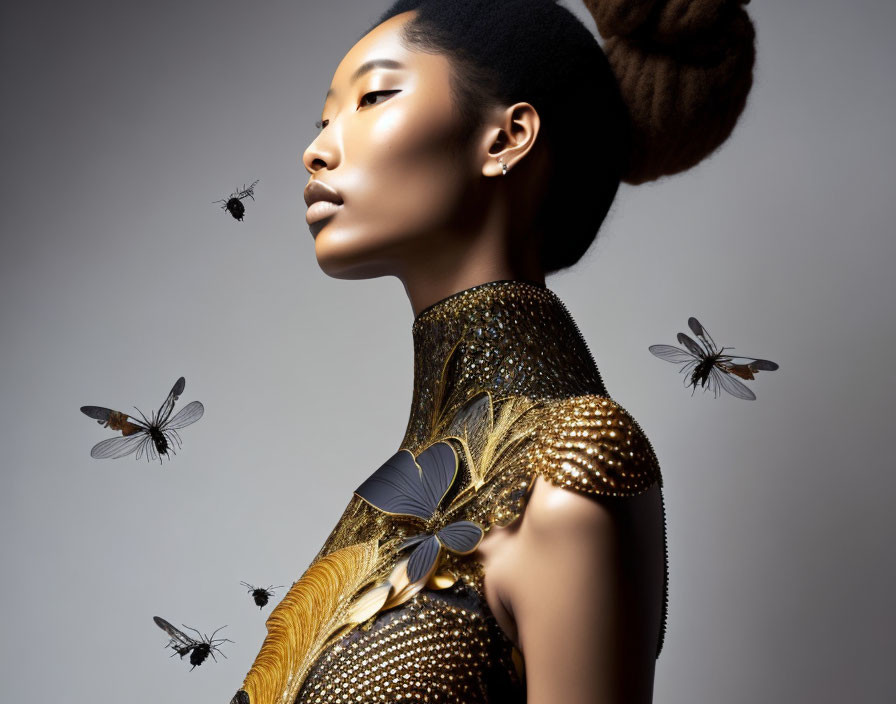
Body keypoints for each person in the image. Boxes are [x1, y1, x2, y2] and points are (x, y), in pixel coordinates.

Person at [231, 1, 755, 702]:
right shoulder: (402, 483)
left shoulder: (570, 461)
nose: (319, 147)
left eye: (373, 97)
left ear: (506, 138)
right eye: (324, 119)